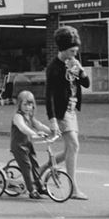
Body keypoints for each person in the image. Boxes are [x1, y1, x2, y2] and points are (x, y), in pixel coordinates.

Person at [42, 25, 90, 200]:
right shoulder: (54, 68)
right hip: (62, 113)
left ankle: (42, 169)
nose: (74, 54)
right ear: (63, 49)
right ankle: (74, 189)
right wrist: (52, 119)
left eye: (76, 51)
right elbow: (49, 96)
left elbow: (86, 84)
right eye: (71, 51)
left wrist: (80, 70)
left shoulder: (73, 64)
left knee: (69, 149)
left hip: (71, 111)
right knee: (74, 146)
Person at [10, 90, 51, 200]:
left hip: (28, 145)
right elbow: (23, 128)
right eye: (25, 104)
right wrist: (35, 133)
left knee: (35, 165)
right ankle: (32, 190)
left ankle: (40, 186)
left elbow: (40, 125)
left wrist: (52, 131)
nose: (28, 107)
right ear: (19, 104)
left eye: (30, 104)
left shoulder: (30, 117)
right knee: (27, 167)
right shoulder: (18, 117)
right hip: (18, 146)